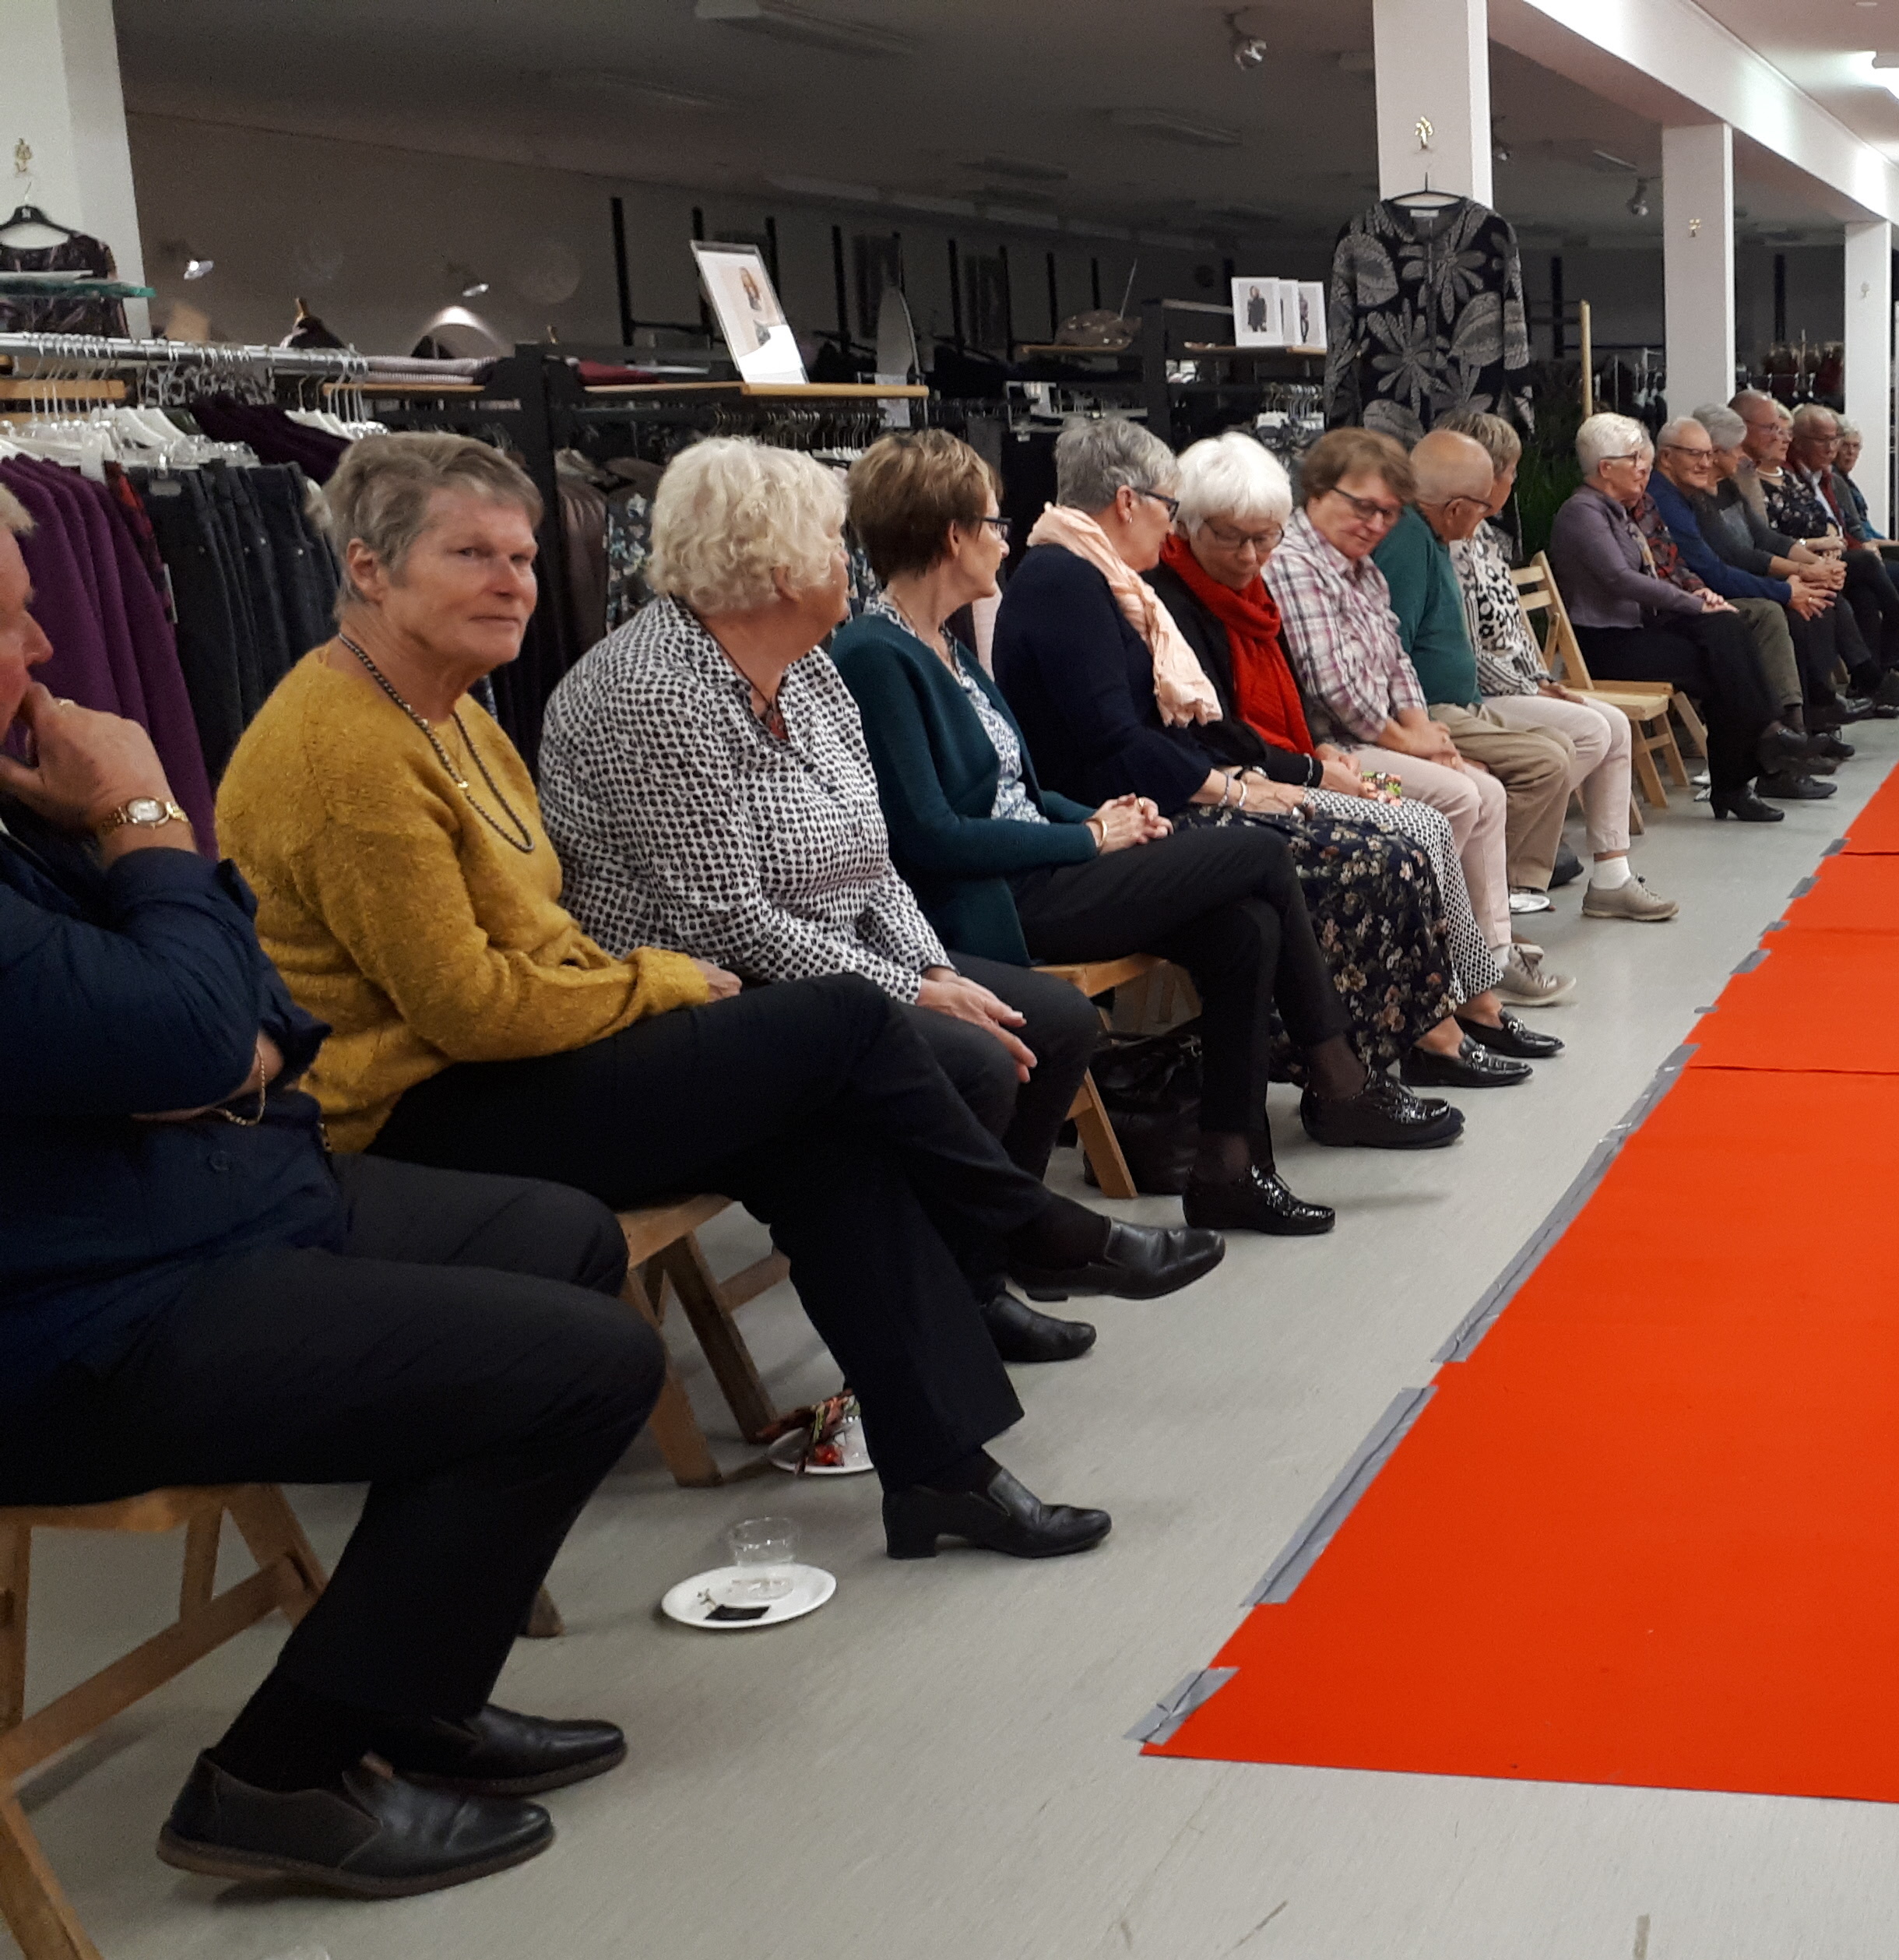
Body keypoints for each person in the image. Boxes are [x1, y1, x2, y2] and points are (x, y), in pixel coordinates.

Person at [219, 433, 1198, 1560]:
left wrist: (880, 971)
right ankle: (1027, 1225)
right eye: (471, 555)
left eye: (524, 557)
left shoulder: (447, 707)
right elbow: (467, 1010)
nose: (514, 583)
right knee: (842, 1025)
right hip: (413, 1112)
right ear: (368, 568)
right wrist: (659, 984)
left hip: (532, 1048)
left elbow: (540, 928)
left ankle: (944, 1470)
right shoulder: (347, 750)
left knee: (827, 1134)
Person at [0, 484, 653, 1899]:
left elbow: (258, 1005)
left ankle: (408, 1688)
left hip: (217, 1193)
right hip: (79, 1320)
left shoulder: (19, 805)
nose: (46, 649)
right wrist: (141, 815)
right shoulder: (90, 797)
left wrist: (190, 1023)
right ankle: (279, 1773)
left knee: (557, 1236)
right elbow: (188, 1024)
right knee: (582, 1367)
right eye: (12, 624)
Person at [831, 427, 1398, 1235]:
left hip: (1045, 865)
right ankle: (1337, 1076)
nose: (1006, 540)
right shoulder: (878, 655)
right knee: (1260, 850)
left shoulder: (943, 643)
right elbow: (931, 837)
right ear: (953, 536)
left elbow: (1023, 790)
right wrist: (1090, 838)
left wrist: (1100, 819)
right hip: (996, 901)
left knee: (1245, 926)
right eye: (994, 524)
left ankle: (1232, 1165)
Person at [536, 438, 1102, 1196]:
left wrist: (931, 966)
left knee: (1058, 1022)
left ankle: (993, 1247)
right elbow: (730, 925)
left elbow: (875, 856)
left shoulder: (807, 664)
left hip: (835, 958)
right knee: (977, 1060)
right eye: (834, 543)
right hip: (715, 996)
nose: (850, 561)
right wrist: (914, 991)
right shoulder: (653, 692)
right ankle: (977, 1249)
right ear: (782, 572)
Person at [1000, 421, 1513, 1119]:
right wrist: (1299, 773)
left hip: (1311, 762)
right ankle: (1424, 1033)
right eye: (1359, 506)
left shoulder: (1274, 584)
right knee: (1416, 823)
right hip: (1305, 765)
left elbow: (1388, 666)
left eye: (1263, 538)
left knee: (1461, 801)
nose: (1251, 554)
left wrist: (1407, 737)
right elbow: (1230, 723)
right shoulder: (1153, 587)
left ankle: (1474, 991)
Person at [1268, 425, 1577, 1015]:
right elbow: (1334, 687)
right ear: (1317, 491)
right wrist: (1410, 742)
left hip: (1374, 743)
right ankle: (1430, 964)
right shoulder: (1296, 565)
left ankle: (1488, 956)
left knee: (1484, 789)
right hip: (1337, 755)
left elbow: (1396, 659)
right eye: (1362, 507)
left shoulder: (1358, 567)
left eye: (1387, 513)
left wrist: (1424, 731)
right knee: (1455, 796)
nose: (1374, 524)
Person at [1425, 410, 1678, 920]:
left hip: (1517, 682)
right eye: (1510, 472)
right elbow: (1468, 650)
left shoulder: (1483, 537)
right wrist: (1530, 686)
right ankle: (1515, 849)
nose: (1515, 481)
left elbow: (1512, 627)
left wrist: (1541, 677)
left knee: (1612, 725)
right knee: (1590, 731)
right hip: (1486, 692)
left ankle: (1611, 877)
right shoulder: (1453, 544)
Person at [1370, 426, 1598, 913]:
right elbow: (1391, 651)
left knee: (1560, 745)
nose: (1486, 515)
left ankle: (1514, 888)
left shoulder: (1427, 534)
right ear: (1455, 508)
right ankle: (1490, 894)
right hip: (1428, 711)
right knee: (1543, 762)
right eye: (1481, 506)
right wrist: (1418, 734)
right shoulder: (1408, 543)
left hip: (1455, 702)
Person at [1556, 411, 1817, 824]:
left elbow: (1670, 564)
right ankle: (1748, 765)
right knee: (1721, 662)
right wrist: (1694, 604)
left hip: (1642, 628)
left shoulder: (1628, 508)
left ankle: (1757, 753)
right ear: (1606, 468)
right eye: (1634, 459)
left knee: (1726, 628)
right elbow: (1621, 579)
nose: (1643, 467)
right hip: (1605, 644)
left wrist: (1699, 592)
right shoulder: (1583, 513)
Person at [1648, 415, 1841, 801]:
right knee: (1768, 615)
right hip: (1672, 614)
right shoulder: (1664, 500)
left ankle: (1796, 734)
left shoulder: (1690, 494)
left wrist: (1806, 573)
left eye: (1709, 454)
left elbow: (1745, 547)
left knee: (1801, 606)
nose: (1706, 463)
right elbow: (1715, 567)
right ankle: (1785, 744)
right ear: (1666, 457)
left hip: (1698, 599)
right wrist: (1788, 587)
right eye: (1696, 455)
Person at [1782, 402, 1899, 689]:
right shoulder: (1797, 479)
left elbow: (1849, 524)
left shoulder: (1826, 478)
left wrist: (1862, 542)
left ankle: (1893, 668)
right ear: (1798, 442)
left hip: (1836, 555)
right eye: (1825, 441)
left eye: (1839, 442)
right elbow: (1793, 533)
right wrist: (1851, 545)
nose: (1835, 449)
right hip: (1815, 561)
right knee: (1890, 569)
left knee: (1888, 576)